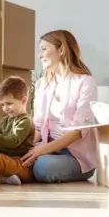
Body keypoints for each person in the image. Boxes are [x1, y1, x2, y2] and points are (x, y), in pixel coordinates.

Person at [21, 29, 98, 183]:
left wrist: (41, 151)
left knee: (42, 167)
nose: (39, 55)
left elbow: (78, 131)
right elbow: (37, 127)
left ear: (61, 49)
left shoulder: (85, 82)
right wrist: (24, 148)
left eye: (44, 49)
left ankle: (19, 172)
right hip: (46, 148)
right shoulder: (42, 84)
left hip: (74, 156)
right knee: (18, 156)